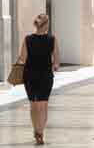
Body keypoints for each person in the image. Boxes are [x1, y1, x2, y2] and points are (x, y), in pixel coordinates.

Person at [18, 14, 59, 145]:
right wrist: (53, 66)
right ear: (47, 25)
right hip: (45, 76)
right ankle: (40, 132)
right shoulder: (52, 39)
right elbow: (57, 61)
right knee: (43, 105)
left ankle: (36, 130)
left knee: (33, 105)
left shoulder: (27, 39)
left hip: (30, 76)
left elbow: (22, 59)